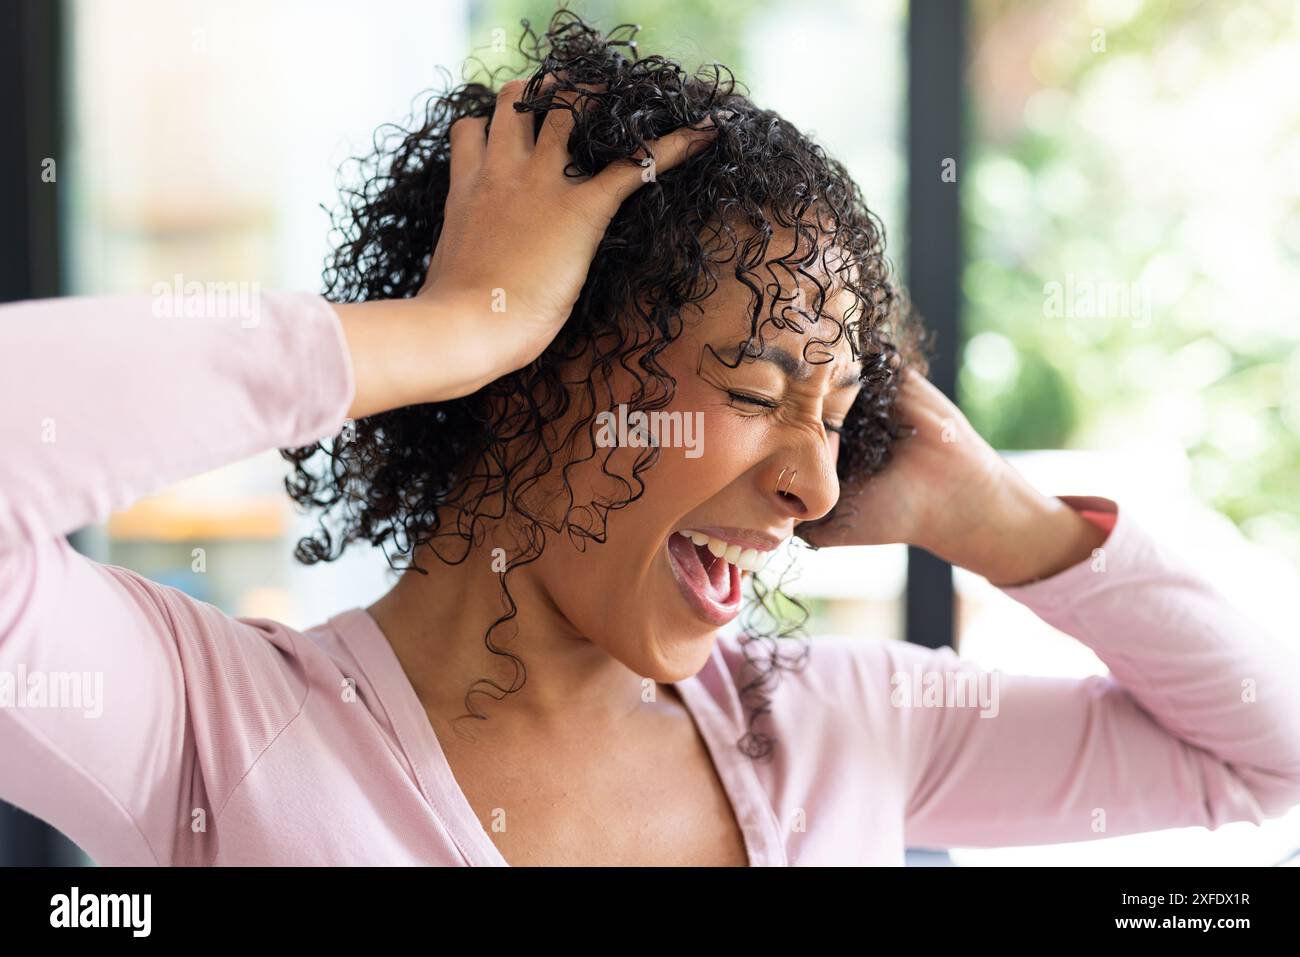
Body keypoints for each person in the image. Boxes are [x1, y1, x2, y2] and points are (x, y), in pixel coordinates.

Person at [2, 10, 1298, 866]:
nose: (816, 481)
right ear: (536, 374)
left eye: (842, 422)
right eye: (751, 389)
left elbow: (1263, 749)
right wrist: (447, 328)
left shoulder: (836, 725)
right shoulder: (212, 729)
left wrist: (994, 516)